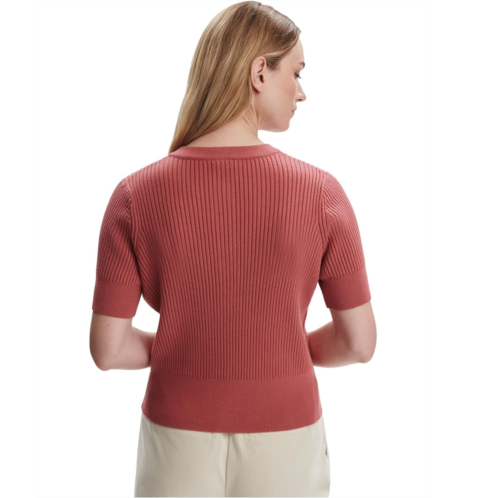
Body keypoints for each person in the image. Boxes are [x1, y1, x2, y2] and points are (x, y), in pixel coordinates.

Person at [89, 1, 377, 496]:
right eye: (296, 72)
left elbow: (108, 349)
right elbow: (359, 343)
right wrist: (284, 349)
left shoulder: (134, 195)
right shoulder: (320, 193)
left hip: (175, 436)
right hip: (287, 435)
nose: (302, 91)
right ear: (259, 72)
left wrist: (186, 346)